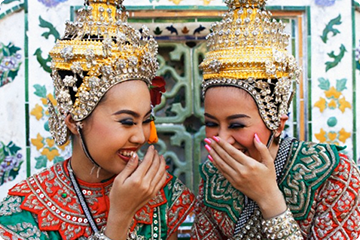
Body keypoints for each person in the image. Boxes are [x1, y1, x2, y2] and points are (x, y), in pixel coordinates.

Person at [0, 0, 195, 239]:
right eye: (126, 121)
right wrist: (120, 217)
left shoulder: (159, 191)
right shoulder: (24, 212)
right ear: (73, 121)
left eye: (146, 120)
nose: (141, 136)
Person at [191, 0, 360, 239]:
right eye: (211, 124)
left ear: (277, 124)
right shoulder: (213, 176)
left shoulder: (333, 172)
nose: (223, 140)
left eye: (237, 125)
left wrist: (268, 196)